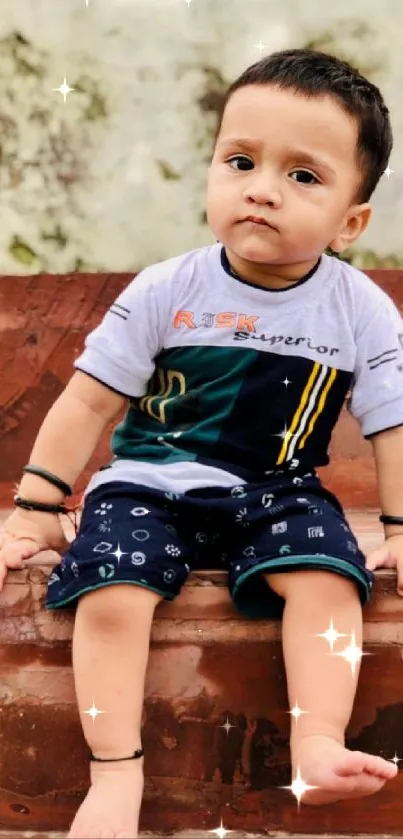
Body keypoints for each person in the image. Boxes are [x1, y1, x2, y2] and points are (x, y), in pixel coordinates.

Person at [1, 47, 402, 839]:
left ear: (351, 222)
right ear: (212, 169)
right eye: (241, 160)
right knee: (112, 590)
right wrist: (38, 505)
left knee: (329, 581)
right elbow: (86, 401)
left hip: (279, 488)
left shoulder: (358, 310)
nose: (260, 188)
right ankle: (114, 773)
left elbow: (392, 425)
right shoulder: (167, 288)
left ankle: (317, 742)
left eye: (303, 176)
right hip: (148, 485)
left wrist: (398, 529)